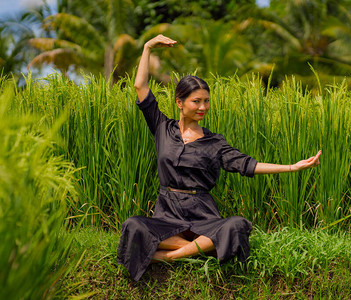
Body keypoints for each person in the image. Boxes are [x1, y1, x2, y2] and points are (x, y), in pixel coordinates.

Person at [117, 34, 322, 281]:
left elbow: (248, 165)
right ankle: (201, 249)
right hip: (167, 213)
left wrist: (292, 167)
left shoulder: (215, 143)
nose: (203, 107)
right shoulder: (162, 127)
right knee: (134, 225)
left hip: (203, 214)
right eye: (196, 101)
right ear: (179, 103)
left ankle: (168, 256)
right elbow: (140, 86)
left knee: (235, 226)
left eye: (206, 101)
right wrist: (148, 46)